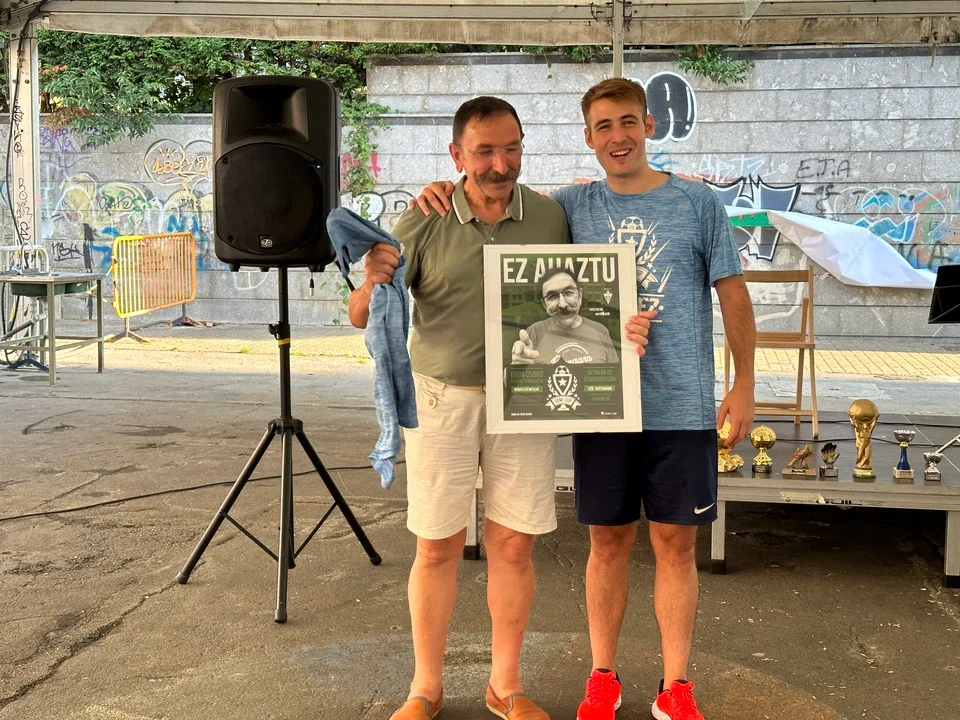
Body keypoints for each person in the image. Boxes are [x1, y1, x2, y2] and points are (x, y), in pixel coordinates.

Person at [414, 78, 756, 720]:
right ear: (588, 138)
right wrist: (440, 189)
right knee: (607, 542)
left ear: (648, 125)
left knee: (676, 545)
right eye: (603, 126)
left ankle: (676, 686)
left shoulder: (698, 203)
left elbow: (732, 293)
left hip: (682, 404)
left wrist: (744, 383)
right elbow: (496, 204)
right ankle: (603, 677)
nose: (617, 136)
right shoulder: (568, 207)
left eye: (627, 122)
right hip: (602, 405)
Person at [349, 96, 653, 720]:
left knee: (513, 545)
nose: (499, 163)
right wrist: (372, 277)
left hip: (526, 399)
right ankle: (424, 689)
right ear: (456, 154)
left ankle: (505, 685)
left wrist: (624, 326)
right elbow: (361, 315)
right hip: (442, 399)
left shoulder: (548, 215)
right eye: (483, 151)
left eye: (511, 148)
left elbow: (592, 290)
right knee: (437, 545)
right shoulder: (424, 218)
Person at [512, 267, 619, 365]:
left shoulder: (601, 332)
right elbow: (512, 377)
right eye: (552, 296)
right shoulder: (534, 333)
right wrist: (517, 368)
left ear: (580, 296)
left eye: (568, 292)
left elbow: (616, 376)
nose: (562, 304)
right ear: (544, 304)